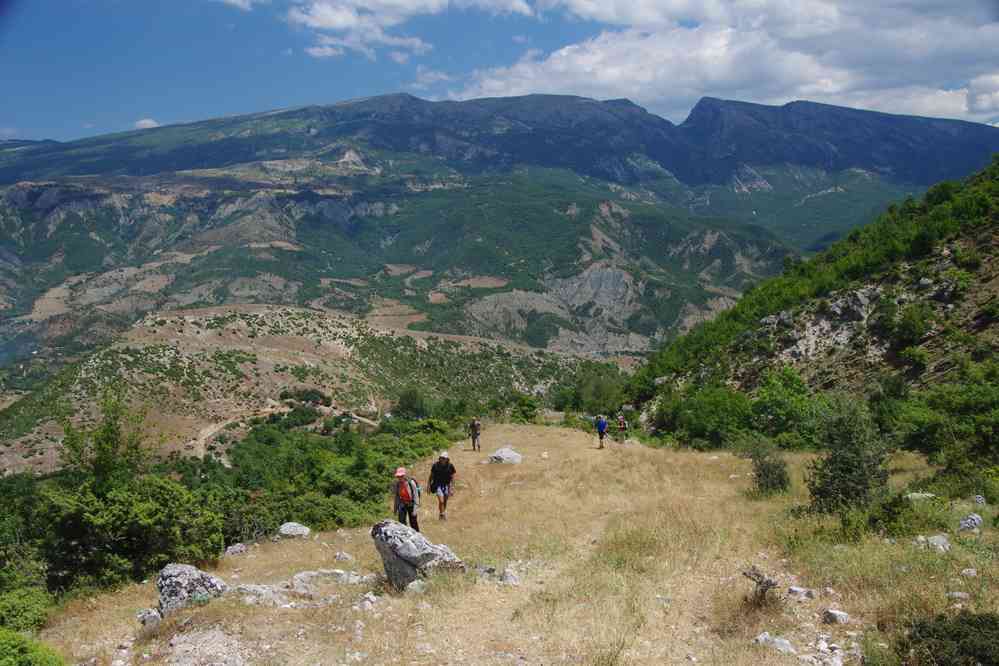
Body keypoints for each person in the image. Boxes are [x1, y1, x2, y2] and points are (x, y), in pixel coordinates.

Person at [428, 451, 457, 521]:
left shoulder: (450, 466)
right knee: (441, 501)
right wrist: (428, 485)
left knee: (445, 501)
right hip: (437, 485)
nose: (442, 459)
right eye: (441, 458)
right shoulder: (435, 466)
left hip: (446, 485)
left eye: (444, 458)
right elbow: (431, 476)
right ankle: (442, 514)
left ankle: (441, 513)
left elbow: (452, 477)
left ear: (447, 459)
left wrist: (452, 487)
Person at [392, 467, 420, 532]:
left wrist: (415, 510)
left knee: (413, 522)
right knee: (401, 522)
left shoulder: (411, 483)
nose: (400, 478)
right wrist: (395, 509)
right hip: (402, 504)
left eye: (401, 476)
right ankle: (404, 535)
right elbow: (397, 497)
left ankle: (418, 536)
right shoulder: (397, 484)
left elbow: (416, 496)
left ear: (404, 475)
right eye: (398, 476)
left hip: (411, 504)